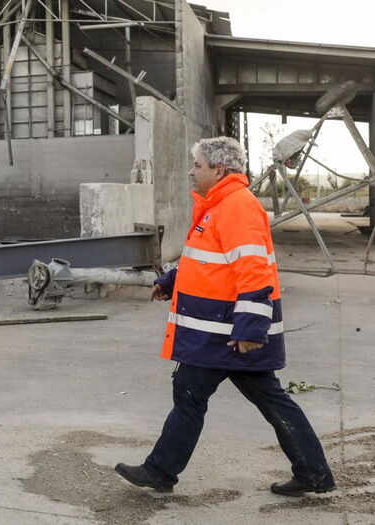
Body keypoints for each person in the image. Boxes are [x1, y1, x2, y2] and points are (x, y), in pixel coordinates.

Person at [115, 137, 335, 497]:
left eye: (197, 165)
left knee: (189, 393)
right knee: (269, 399)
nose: (191, 171)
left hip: (227, 333)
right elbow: (208, 260)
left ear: (218, 170)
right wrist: (172, 281)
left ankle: (160, 471)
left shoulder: (236, 207)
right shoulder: (216, 205)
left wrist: (251, 329)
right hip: (226, 330)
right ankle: (313, 473)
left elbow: (253, 271)